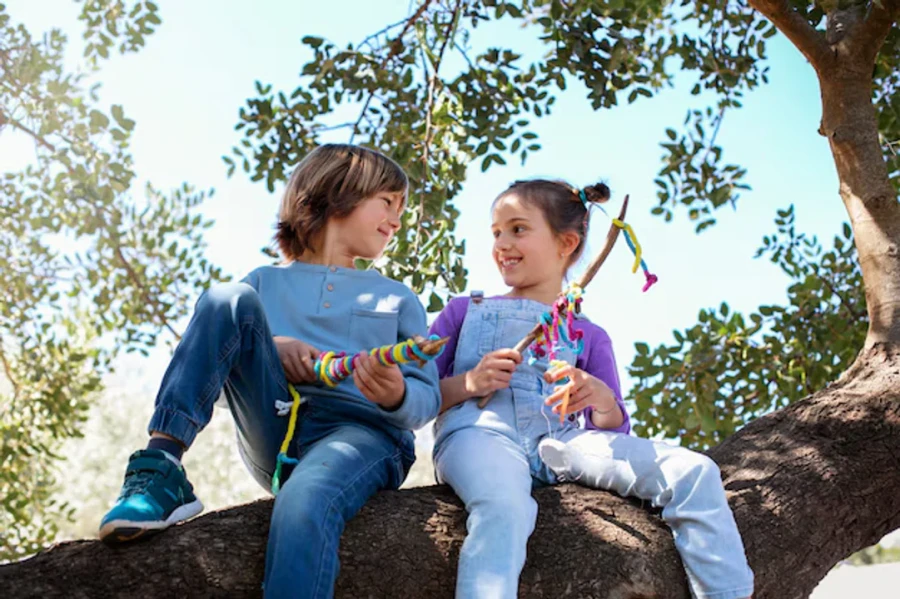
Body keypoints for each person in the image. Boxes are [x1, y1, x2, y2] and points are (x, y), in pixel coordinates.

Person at [99, 144, 441, 598]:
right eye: (388, 202)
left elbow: (426, 399)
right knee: (225, 298)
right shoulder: (262, 283)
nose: (397, 221)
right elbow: (217, 382)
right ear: (339, 192)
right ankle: (161, 468)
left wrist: (395, 394)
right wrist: (274, 348)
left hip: (362, 435)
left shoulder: (398, 297)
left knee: (304, 498)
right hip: (274, 430)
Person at [429, 178, 754, 599]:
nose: (501, 243)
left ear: (566, 243)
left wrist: (599, 398)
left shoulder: (587, 333)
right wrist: (468, 382)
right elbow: (416, 397)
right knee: (504, 507)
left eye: (518, 229)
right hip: (479, 435)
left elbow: (614, 430)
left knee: (695, 471)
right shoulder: (464, 311)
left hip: (560, 441)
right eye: (496, 232)